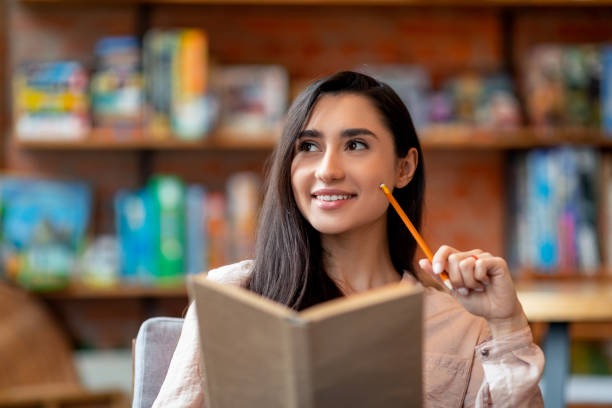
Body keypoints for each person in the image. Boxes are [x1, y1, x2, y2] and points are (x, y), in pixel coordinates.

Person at [152, 70, 544, 407]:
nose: (327, 170)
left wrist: (506, 325)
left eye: (355, 145)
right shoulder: (231, 296)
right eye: (308, 147)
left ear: (404, 168)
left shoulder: (463, 322)